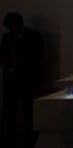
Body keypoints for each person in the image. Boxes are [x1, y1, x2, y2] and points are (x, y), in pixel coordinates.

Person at [0, 12, 43, 148]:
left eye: (12, 27)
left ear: (18, 25)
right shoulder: (6, 37)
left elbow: (38, 57)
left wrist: (19, 62)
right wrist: (6, 64)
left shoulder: (34, 36)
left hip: (27, 81)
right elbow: (2, 55)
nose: (11, 31)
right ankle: (8, 141)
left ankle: (32, 142)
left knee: (29, 113)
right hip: (10, 81)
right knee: (8, 113)